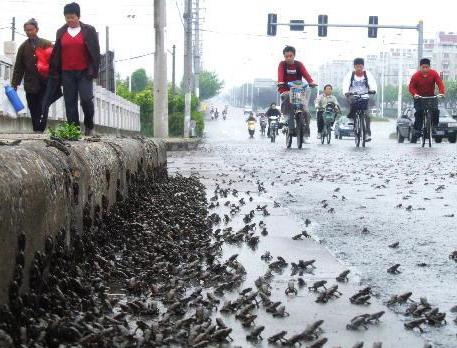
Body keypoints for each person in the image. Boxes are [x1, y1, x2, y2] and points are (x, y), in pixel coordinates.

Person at [48, 2, 100, 136]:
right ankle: (74, 130)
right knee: (69, 102)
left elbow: (95, 51)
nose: (70, 20)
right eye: (67, 17)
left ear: (78, 16)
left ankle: (89, 125)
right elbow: (57, 53)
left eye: (72, 17)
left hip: (84, 72)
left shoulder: (89, 30)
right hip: (66, 73)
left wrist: (93, 70)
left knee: (86, 99)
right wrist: (54, 73)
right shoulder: (61, 32)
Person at [11, 19, 53, 133]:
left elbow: (54, 62)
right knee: (32, 106)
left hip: (45, 81)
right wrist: (14, 84)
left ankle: (41, 128)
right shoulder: (23, 47)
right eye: (27, 30)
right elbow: (19, 67)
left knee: (44, 105)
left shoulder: (46, 44)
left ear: (37, 29)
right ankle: (36, 129)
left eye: (31, 30)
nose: (29, 32)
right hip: (30, 82)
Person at [277, 46, 317, 144]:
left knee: (306, 111)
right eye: (286, 56)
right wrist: (281, 82)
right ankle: (286, 115)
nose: (288, 58)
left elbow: (306, 74)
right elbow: (280, 75)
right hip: (286, 89)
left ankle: (305, 134)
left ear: (294, 55)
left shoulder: (299, 64)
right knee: (286, 98)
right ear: (284, 56)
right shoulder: (282, 65)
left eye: (290, 56)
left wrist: (311, 82)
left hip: (298, 90)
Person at [408, 58, 445, 140]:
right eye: (423, 67)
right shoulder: (415, 76)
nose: (425, 69)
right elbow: (411, 87)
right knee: (419, 112)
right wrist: (415, 94)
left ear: (429, 67)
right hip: (419, 97)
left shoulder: (434, 73)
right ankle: (417, 129)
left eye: (427, 67)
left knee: (435, 110)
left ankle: (435, 127)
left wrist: (442, 92)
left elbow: (440, 83)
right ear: (420, 67)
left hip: (431, 96)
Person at [343, 58, 376, 142]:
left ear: (363, 66)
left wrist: (373, 90)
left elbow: (372, 83)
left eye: (360, 67)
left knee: (367, 115)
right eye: (357, 67)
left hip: (364, 95)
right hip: (353, 95)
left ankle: (367, 134)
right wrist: (346, 92)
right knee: (353, 103)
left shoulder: (367, 74)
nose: (359, 68)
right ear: (354, 67)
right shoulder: (350, 75)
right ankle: (351, 118)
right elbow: (346, 83)